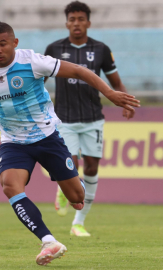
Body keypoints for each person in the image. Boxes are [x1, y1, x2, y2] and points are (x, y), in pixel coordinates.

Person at [0, 22, 139, 266]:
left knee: (77, 198)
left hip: (46, 137)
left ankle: (72, 184)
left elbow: (79, 72)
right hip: (13, 142)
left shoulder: (33, 62)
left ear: (14, 43)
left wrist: (110, 94)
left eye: (2, 44)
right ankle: (49, 241)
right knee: (9, 184)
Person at [44, 1, 133, 237]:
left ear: (88, 22)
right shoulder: (53, 49)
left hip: (93, 119)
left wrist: (125, 101)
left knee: (92, 167)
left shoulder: (101, 50)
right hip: (64, 119)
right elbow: (38, 82)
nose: (76, 23)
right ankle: (64, 189)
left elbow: (115, 82)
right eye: (72, 19)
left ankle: (78, 223)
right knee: (70, 164)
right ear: (66, 23)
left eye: (80, 19)